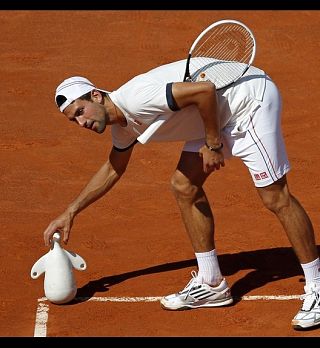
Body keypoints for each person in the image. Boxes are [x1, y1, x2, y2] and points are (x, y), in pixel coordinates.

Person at [44, 57, 320, 330]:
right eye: (73, 120)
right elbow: (114, 168)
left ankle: (317, 286)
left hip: (247, 102)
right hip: (214, 112)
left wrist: (213, 144)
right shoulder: (122, 126)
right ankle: (212, 283)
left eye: (81, 111)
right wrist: (71, 212)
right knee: (183, 186)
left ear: (96, 96)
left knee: (275, 197)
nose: (81, 123)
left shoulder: (137, 98)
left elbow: (205, 90)